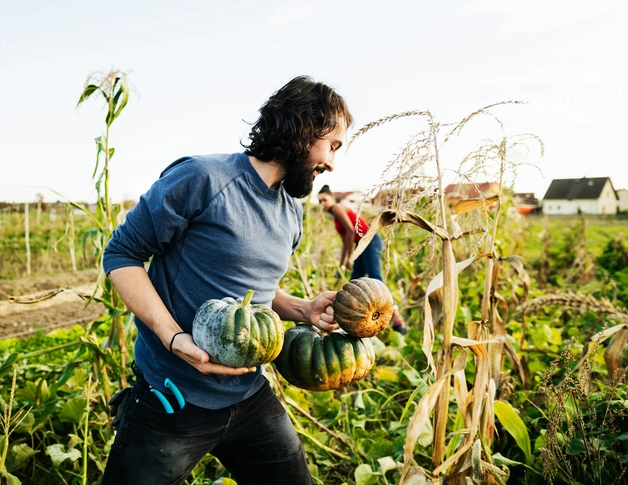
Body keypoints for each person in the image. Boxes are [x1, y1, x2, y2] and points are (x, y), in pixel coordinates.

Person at [100, 76, 351, 485]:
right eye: (333, 146)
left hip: (248, 396)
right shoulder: (203, 178)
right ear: (304, 128)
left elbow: (252, 293)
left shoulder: (291, 210)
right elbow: (121, 255)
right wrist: (174, 338)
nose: (332, 164)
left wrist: (303, 309)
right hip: (173, 396)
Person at [316, 185, 407, 334]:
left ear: (332, 198)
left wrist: (350, 258)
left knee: (375, 278)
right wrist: (342, 265)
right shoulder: (335, 216)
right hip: (361, 244)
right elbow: (346, 242)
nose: (322, 204)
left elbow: (351, 231)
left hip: (369, 240)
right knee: (355, 281)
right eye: (320, 201)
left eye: (324, 200)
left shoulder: (338, 208)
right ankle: (352, 319)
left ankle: (396, 316)